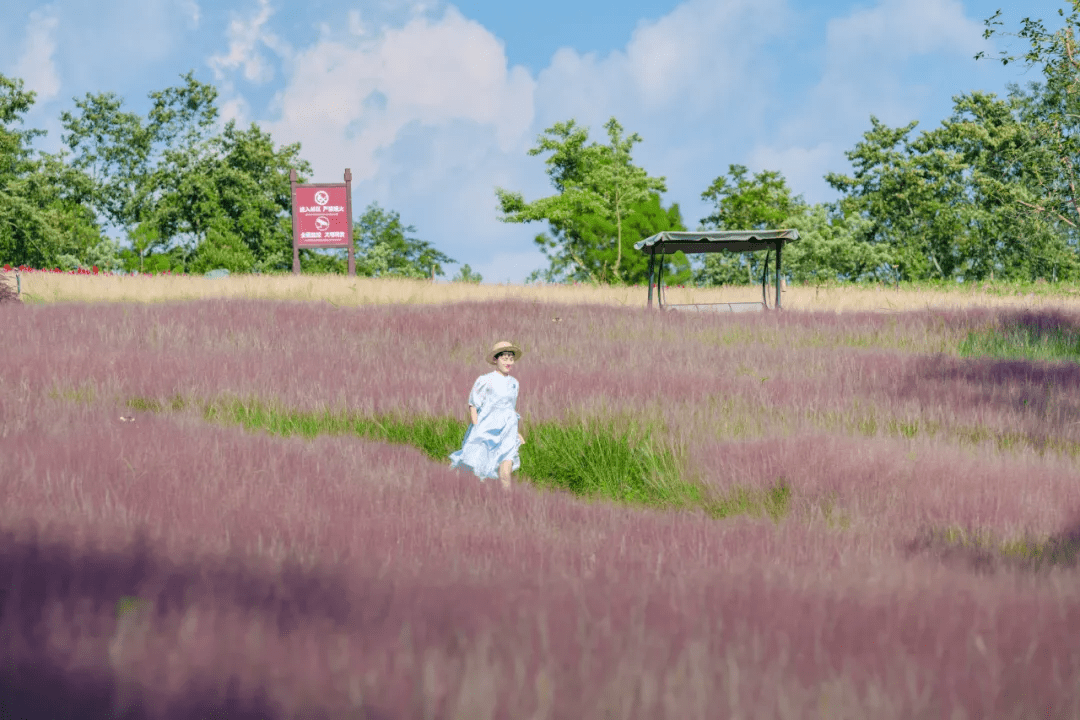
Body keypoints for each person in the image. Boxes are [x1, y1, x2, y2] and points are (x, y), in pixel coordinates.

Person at [449, 341, 526, 489]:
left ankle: (508, 502)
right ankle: (461, 490)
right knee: (474, 464)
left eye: (511, 358)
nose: (508, 362)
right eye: (504, 358)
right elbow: (473, 404)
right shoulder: (485, 379)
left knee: (506, 467)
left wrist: (516, 432)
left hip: (508, 430)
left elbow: (511, 409)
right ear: (496, 359)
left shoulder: (514, 383)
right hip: (487, 428)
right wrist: (476, 426)